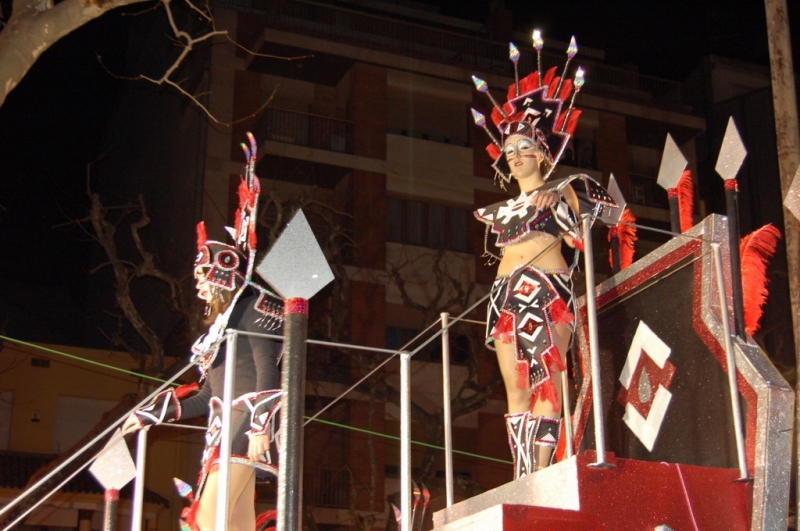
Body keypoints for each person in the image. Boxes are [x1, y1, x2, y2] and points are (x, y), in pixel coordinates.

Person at [470, 35, 615, 479]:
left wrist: (563, 197)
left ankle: (541, 470)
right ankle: (522, 474)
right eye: (509, 150)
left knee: (547, 381)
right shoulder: (501, 209)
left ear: (542, 152)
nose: (515, 156)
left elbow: (608, 211)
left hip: (547, 290)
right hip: (504, 295)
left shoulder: (564, 189)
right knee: (515, 387)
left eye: (523, 148)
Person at [122, 134, 285, 530]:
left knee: (208, 520)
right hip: (222, 428)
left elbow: (269, 368)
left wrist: (260, 427)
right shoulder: (218, 330)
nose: (199, 287)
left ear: (223, 278)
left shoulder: (253, 306)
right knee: (232, 523)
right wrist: (151, 414)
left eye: (203, 278)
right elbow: (206, 395)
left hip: (246, 424)